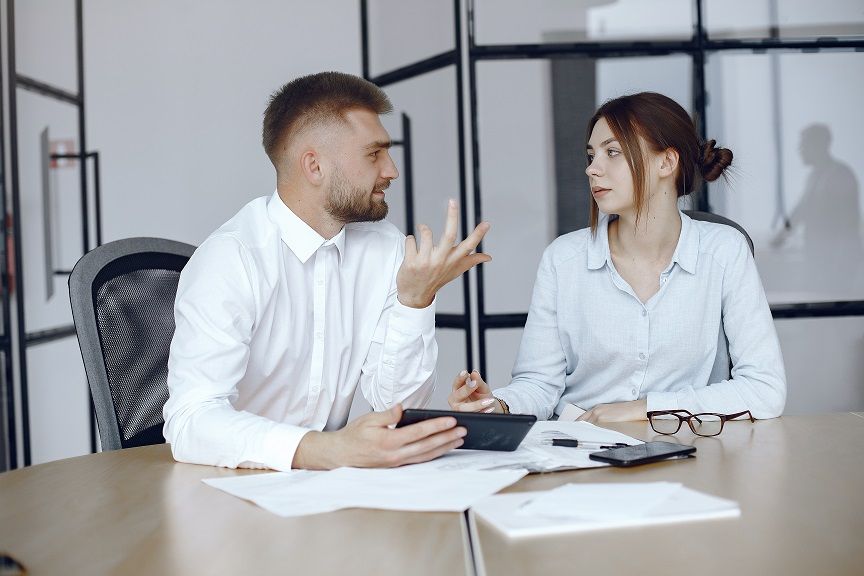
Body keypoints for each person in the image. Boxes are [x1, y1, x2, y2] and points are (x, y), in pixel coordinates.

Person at [164, 71, 491, 470]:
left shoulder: (385, 247)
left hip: (329, 488)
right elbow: (190, 420)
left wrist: (415, 301)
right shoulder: (231, 259)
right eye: (374, 154)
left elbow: (398, 408)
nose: (392, 170)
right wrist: (326, 450)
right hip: (230, 487)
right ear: (314, 166)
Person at [448, 92, 786, 424]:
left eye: (613, 152)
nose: (592, 169)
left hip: (685, 451)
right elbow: (539, 384)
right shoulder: (563, 259)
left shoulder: (724, 251)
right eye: (591, 155)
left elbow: (764, 390)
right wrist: (497, 406)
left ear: (666, 162)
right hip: (579, 453)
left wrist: (645, 408)